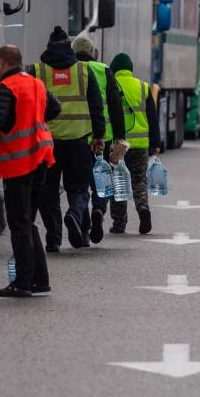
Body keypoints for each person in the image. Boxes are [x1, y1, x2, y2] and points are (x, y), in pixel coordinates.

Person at [0, 45, 59, 298]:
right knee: (28, 222)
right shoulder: (36, 84)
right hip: (41, 158)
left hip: (19, 162)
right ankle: (39, 280)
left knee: (19, 224)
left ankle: (23, 282)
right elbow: (55, 109)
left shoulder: (5, 88)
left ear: (2, 62)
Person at [32, 27, 106, 251]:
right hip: (78, 141)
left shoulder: (38, 71)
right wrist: (99, 136)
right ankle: (74, 214)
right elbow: (96, 105)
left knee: (49, 192)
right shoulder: (83, 71)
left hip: (47, 144)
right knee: (79, 188)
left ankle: (54, 238)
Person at [71, 35, 127, 245]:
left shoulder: (72, 69)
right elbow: (115, 105)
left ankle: (83, 228)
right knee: (102, 181)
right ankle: (98, 210)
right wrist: (120, 136)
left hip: (76, 135)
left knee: (80, 183)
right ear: (93, 52)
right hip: (102, 136)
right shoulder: (104, 69)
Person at [107, 53, 162, 235]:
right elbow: (152, 119)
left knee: (119, 182)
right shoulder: (143, 87)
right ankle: (143, 209)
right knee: (139, 180)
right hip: (140, 144)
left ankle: (119, 224)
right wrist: (155, 143)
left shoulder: (111, 84)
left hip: (119, 145)